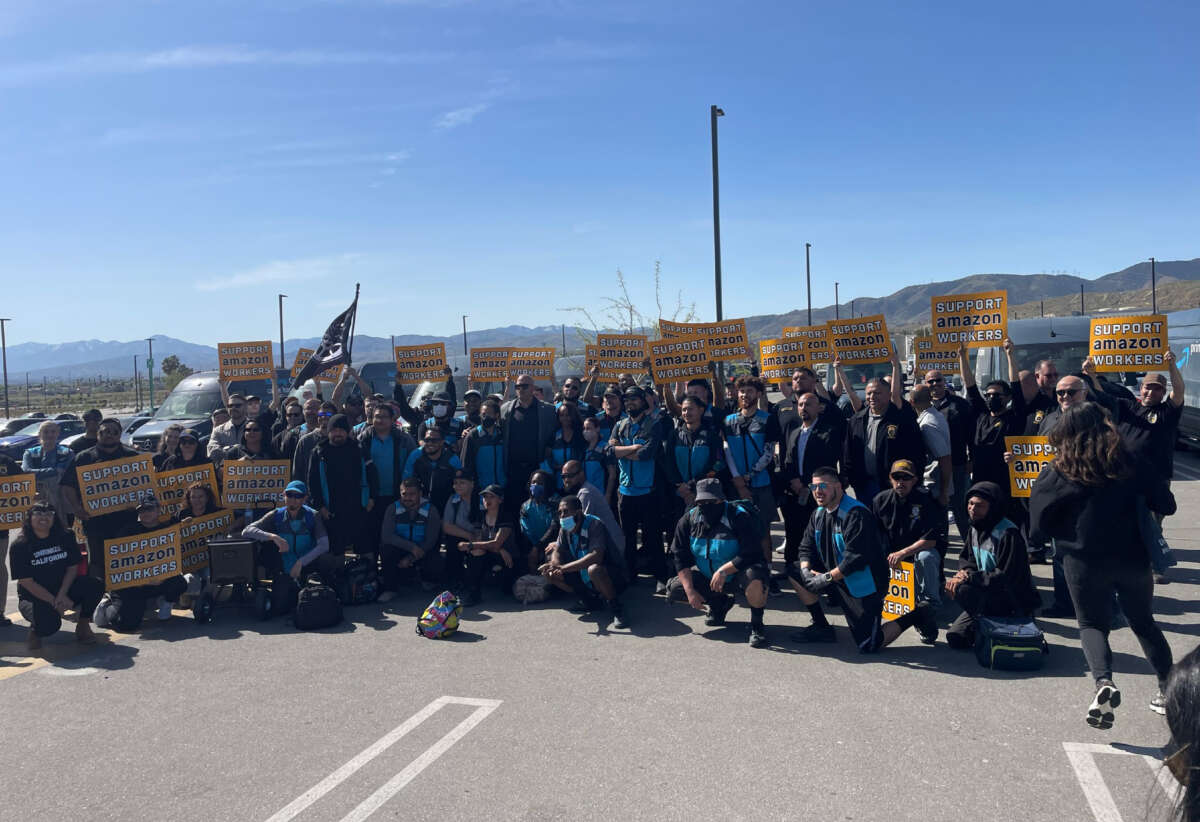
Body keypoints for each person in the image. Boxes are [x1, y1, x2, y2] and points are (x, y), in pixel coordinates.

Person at [1030, 402, 1176, 728]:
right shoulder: (1131, 460)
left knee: (1092, 625)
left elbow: (1038, 526)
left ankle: (1104, 683)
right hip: (1132, 557)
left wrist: (1060, 532)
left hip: (1083, 560)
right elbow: (1166, 503)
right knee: (1143, 622)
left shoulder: (1061, 468)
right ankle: (1169, 690)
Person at [786, 466, 937, 649]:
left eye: (823, 486)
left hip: (864, 583)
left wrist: (824, 578)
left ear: (839, 487)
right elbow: (805, 547)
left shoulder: (856, 514)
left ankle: (917, 613)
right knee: (795, 570)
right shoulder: (818, 513)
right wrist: (806, 570)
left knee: (869, 644)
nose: (818, 491)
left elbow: (854, 559)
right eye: (814, 487)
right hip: (836, 576)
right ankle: (820, 626)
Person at [670, 478, 770, 647]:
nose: (706, 505)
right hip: (709, 576)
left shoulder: (738, 516)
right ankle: (719, 605)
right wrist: (690, 591)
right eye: (702, 501)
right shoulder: (688, 520)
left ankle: (757, 626)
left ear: (721, 500)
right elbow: (680, 556)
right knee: (676, 589)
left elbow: (752, 552)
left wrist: (724, 571)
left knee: (755, 579)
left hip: (738, 573)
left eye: (711, 501)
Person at [944, 481, 1040, 648]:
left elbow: (1006, 576)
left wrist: (968, 578)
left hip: (1011, 599)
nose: (973, 509)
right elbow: (967, 559)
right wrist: (964, 572)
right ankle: (984, 625)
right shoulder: (975, 527)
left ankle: (1003, 624)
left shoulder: (1008, 533)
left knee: (963, 589)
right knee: (956, 638)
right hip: (987, 591)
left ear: (993, 508)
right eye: (970, 504)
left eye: (980, 506)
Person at [10, 501, 101, 650]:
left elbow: (73, 568)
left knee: (95, 585)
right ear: (29, 518)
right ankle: (36, 631)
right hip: (33, 596)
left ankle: (83, 624)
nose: (44, 517)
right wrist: (54, 601)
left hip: (62, 588)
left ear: (54, 517)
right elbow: (27, 582)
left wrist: (62, 594)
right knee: (50, 625)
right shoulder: (20, 546)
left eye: (48, 513)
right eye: (38, 513)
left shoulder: (66, 536)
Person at [242, 480, 342, 614]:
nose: (293, 500)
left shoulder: (313, 515)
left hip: (308, 566)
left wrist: (301, 562)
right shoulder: (275, 515)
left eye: (298, 496)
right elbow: (247, 531)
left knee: (326, 559)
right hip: (285, 567)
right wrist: (273, 537)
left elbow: (324, 545)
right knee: (280, 608)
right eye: (289, 495)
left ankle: (327, 591)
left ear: (305, 498)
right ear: (283, 495)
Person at [60, 417, 139, 581]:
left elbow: (144, 486)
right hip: (95, 521)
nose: (110, 435)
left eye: (114, 432)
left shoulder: (131, 456)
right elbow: (67, 486)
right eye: (105, 431)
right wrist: (76, 508)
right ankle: (98, 596)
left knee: (127, 559)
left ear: (120, 434)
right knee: (96, 562)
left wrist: (138, 504)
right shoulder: (84, 458)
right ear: (98, 434)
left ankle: (124, 596)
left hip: (126, 519)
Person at [96, 494, 192, 629]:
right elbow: (117, 561)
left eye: (149, 509)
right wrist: (142, 580)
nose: (145, 513)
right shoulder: (128, 531)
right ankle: (106, 605)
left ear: (158, 510)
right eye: (142, 510)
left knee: (179, 583)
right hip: (132, 584)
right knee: (127, 625)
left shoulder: (167, 529)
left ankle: (165, 602)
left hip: (158, 580)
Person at [842, 352, 925, 503]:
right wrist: (850, 478)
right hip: (863, 485)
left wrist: (912, 480)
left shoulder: (902, 419)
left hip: (893, 486)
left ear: (888, 395)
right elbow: (848, 453)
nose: (872, 397)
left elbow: (917, 451)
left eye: (877, 393)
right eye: (869, 393)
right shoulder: (856, 420)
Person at [609, 385, 667, 591]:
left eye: (633, 399)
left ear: (643, 401)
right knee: (628, 536)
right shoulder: (620, 425)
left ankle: (661, 575)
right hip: (625, 491)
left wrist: (621, 451)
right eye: (626, 400)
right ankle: (630, 574)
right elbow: (608, 451)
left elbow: (647, 454)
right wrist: (632, 448)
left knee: (653, 535)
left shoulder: (654, 424)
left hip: (648, 490)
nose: (629, 403)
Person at [540, 494, 628, 627]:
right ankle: (590, 601)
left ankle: (617, 609)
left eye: (565, 511)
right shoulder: (565, 528)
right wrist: (554, 564)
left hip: (611, 574)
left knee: (594, 569)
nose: (562, 516)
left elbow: (596, 556)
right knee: (550, 571)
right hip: (583, 574)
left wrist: (563, 568)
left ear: (578, 512)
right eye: (560, 512)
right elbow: (558, 549)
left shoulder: (594, 524)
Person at [779, 392, 842, 576]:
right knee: (794, 530)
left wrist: (808, 484)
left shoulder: (828, 432)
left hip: (818, 490)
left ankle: (823, 574)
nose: (803, 408)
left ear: (819, 408)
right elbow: (788, 460)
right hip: (795, 490)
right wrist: (793, 481)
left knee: (820, 533)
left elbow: (827, 461)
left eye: (808, 404)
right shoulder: (795, 432)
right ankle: (792, 568)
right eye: (800, 405)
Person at [872, 459, 947, 612]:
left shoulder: (927, 500)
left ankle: (931, 604)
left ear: (914, 480)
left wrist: (902, 553)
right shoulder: (880, 500)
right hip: (892, 558)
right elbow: (873, 534)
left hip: (916, 555)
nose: (901, 482)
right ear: (890, 479)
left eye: (906, 478)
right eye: (896, 477)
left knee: (927, 556)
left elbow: (930, 540)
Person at [308, 414, 374, 555]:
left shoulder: (359, 448)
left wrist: (371, 499)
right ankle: (336, 576)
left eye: (341, 430)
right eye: (334, 430)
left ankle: (364, 575)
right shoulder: (319, 452)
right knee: (334, 551)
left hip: (358, 508)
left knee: (364, 548)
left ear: (347, 431)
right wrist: (320, 506)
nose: (338, 433)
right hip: (331, 510)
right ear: (328, 431)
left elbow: (372, 475)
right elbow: (312, 483)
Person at [923, 367, 975, 544]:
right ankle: (940, 544)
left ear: (944, 382)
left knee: (961, 508)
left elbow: (972, 434)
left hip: (957, 465)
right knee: (937, 508)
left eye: (938, 380)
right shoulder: (921, 405)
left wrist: (971, 459)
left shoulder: (959, 404)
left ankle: (970, 547)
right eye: (930, 381)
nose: (935, 384)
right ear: (925, 384)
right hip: (931, 469)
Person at [358, 402, 416, 556]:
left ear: (392, 419)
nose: (380, 420)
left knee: (393, 537)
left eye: (384, 417)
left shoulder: (404, 439)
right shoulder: (363, 439)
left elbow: (414, 464)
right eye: (377, 417)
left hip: (396, 496)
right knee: (372, 536)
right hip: (372, 498)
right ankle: (372, 573)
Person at [663, 394, 726, 530]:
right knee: (679, 532)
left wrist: (692, 486)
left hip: (705, 495)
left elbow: (718, 464)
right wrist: (681, 487)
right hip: (679, 494)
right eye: (684, 409)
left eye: (690, 409)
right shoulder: (674, 435)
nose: (687, 413)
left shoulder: (711, 436)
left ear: (701, 410)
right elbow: (668, 464)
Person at [500, 373, 558, 513]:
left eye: (524, 386)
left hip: (536, 468)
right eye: (517, 386)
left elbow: (554, 433)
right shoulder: (506, 409)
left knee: (537, 506)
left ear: (533, 388)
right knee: (514, 508)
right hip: (513, 470)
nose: (521, 389)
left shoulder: (548, 410)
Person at [453, 484, 516, 606]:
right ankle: (474, 593)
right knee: (476, 552)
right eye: (485, 497)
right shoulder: (481, 516)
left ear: (500, 500)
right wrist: (500, 550)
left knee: (507, 590)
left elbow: (496, 542)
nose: (487, 500)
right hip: (497, 553)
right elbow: (479, 541)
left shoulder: (505, 516)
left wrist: (470, 545)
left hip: (509, 559)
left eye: (491, 497)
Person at [379, 476, 442, 598]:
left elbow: (431, 540)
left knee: (435, 558)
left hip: (422, 549)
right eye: (404, 494)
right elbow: (387, 536)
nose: (407, 498)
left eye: (412, 494)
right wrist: (411, 548)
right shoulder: (392, 509)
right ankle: (390, 589)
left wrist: (411, 557)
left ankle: (429, 581)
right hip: (402, 549)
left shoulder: (431, 510)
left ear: (420, 493)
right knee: (386, 549)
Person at [560, 459, 624, 563]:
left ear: (581, 474)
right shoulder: (582, 492)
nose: (566, 480)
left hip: (611, 549)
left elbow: (579, 527)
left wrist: (559, 544)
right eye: (563, 477)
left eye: (570, 476)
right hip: (603, 544)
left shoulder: (586, 494)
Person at [22, 419, 76, 528]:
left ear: (57, 433)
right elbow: (27, 472)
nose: (49, 435)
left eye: (53, 431)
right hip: (39, 498)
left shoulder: (67, 452)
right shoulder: (30, 453)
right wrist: (55, 471)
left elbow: (67, 472)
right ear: (40, 434)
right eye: (46, 431)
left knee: (65, 529)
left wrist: (39, 474)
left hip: (63, 499)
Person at [909, 385, 952, 511]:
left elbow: (944, 458)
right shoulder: (936, 415)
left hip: (934, 487)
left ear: (912, 402)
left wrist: (943, 492)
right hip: (936, 485)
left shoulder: (927, 424)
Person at [403, 426, 463, 513]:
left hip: (446, 503)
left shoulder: (452, 459)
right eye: (427, 440)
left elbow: (461, 484)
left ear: (442, 442)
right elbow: (406, 481)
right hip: (420, 501)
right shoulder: (415, 455)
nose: (430, 443)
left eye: (434, 440)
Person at [440, 469, 480, 591]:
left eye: (462, 482)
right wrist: (468, 536)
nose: (458, 486)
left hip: (481, 535)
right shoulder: (453, 500)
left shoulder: (481, 499)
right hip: (464, 536)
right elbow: (447, 526)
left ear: (472, 484)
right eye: (455, 483)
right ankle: (455, 580)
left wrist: (476, 538)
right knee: (452, 543)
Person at [519, 469, 560, 571]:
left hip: (553, 544)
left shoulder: (556, 503)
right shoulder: (525, 506)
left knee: (550, 558)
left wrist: (539, 547)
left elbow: (554, 528)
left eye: (540, 483)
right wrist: (535, 549)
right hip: (534, 546)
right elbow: (526, 531)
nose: (536, 485)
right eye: (534, 482)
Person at [543, 401, 585, 493]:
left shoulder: (580, 434)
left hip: (578, 482)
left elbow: (584, 456)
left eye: (568, 415)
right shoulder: (554, 435)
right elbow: (547, 456)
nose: (565, 418)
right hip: (559, 482)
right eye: (562, 415)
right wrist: (556, 466)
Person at [291, 400, 336, 481]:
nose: (323, 417)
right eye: (321, 414)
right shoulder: (305, 441)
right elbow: (297, 472)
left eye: (328, 414)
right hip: (310, 491)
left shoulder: (339, 439)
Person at [207, 393, 251, 461]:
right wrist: (233, 450)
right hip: (226, 469)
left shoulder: (255, 428)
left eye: (237, 405)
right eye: (230, 406)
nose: (233, 408)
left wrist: (224, 449)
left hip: (249, 468)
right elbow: (212, 450)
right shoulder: (218, 430)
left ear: (246, 407)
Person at [579, 416, 615, 499]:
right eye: (584, 429)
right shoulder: (583, 450)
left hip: (600, 495)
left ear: (597, 429)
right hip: (585, 495)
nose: (585, 431)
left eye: (588, 428)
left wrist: (608, 495)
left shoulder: (605, 448)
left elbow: (612, 474)